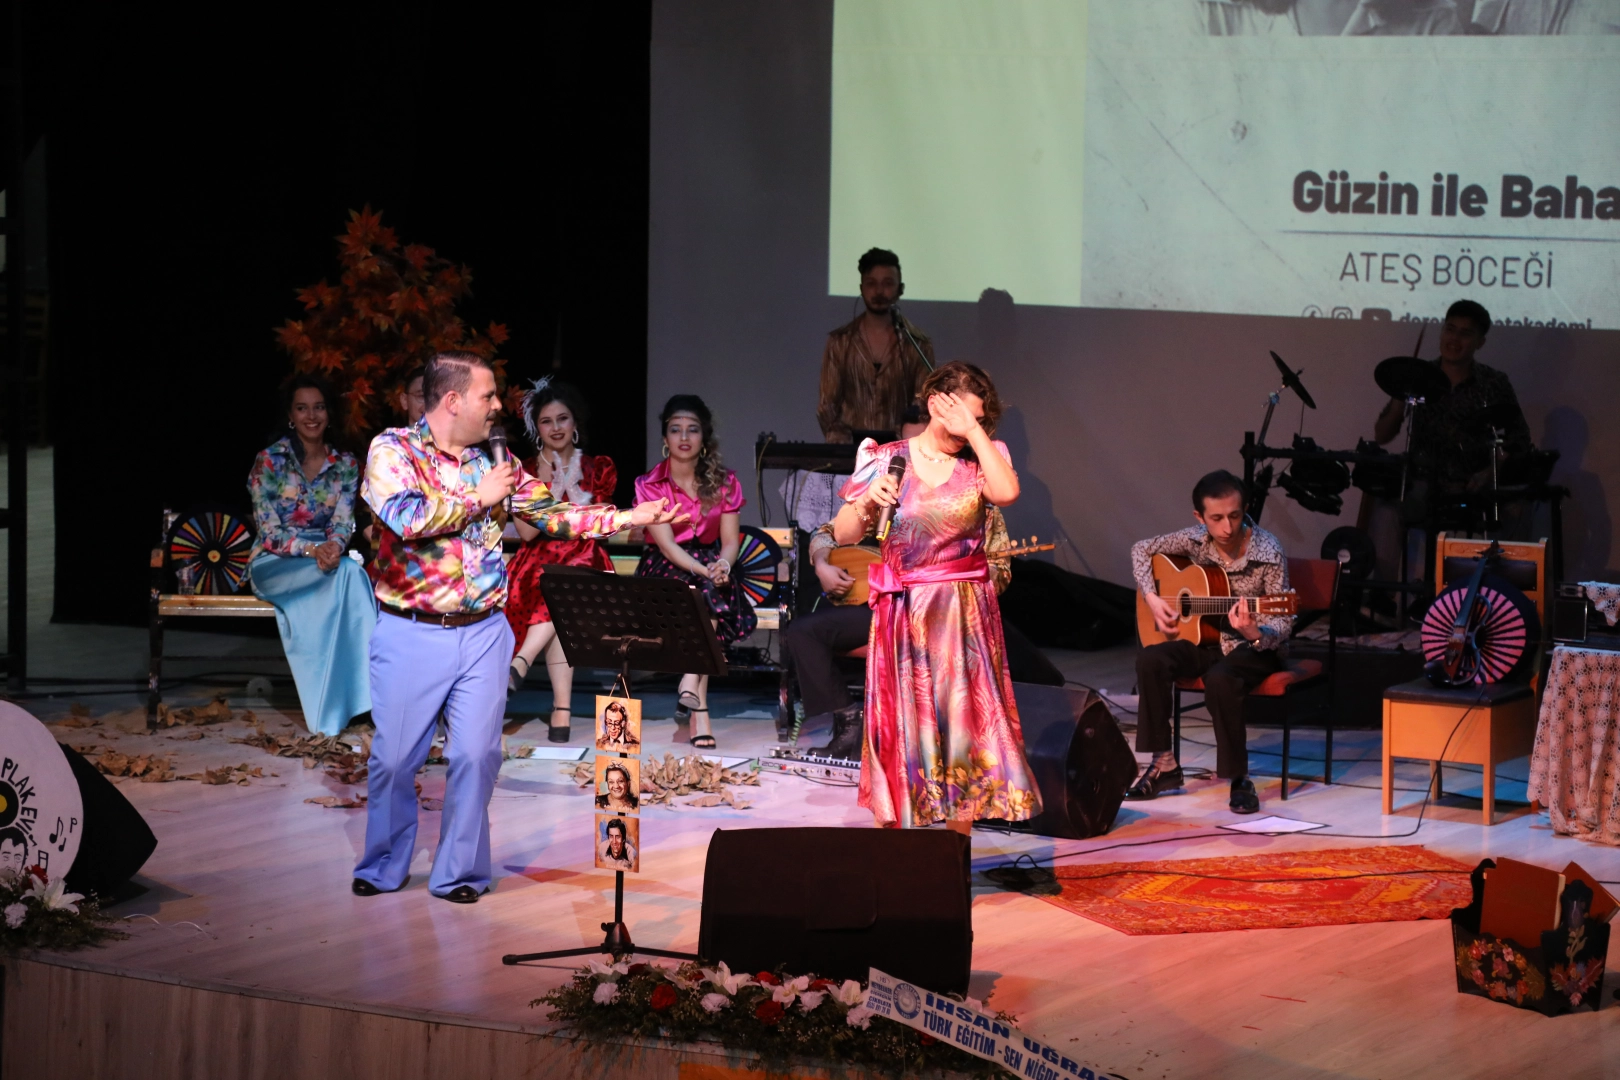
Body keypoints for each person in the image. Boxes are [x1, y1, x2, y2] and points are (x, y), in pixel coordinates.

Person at [354, 350, 682, 904]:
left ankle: (459, 872)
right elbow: (406, 518)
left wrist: (629, 517)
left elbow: (553, 514)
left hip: (484, 631)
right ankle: (384, 863)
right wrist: (477, 499)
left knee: (476, 757)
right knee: (394, 760)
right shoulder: (393, 449)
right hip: (413, 628)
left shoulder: (494, 461)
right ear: (453, 400)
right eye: (487, 395)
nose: (497, 406)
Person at [786, 405, 1063, 760]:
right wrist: (823, 563)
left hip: (948, 613)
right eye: (909, 442)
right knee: (802, 632)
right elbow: (828, 532)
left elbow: (999, 569)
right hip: (886, 604)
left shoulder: (971, 492)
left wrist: (957, 592)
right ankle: (847, 719)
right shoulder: (888, 481)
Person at [832, 361, 1041, 832]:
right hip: (903, 615)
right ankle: (897, 849)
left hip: (962, 615)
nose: (969, 428)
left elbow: (1007, 492)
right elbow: (843, 533)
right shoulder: (885, 458)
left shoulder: (982, 458)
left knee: (963, 728)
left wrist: (975, 431)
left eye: (978, 420)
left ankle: (954, 853)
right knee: (901, 728)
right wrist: (867, 500)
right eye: (962, 417)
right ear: (934, 405)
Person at [1127, 470, 1293, 815]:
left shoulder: (1269, 549)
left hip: (1255, 648)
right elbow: (1141, 549)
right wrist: (1153, 598)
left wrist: (1255, 632)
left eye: (1234, 515)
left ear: (1245, 509)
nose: (1227, 527)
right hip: (1206, 641)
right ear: (1200, 517)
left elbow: (1282, 622)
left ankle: (1239, 778)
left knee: (1221, 678)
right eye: (1216, 518)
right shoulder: (1194, 539)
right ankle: (1164, 763)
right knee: (1151, 659)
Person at [246, 374, 376, 737]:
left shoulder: (345, 463)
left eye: (318, 407)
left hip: (326, 559)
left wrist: (333, 546)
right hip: (276, 562)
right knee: (347, 575)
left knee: (350, 573)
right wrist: (311, 549)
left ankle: (365, 700)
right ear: (291, 415)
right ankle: (347, 706)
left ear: (329, 413)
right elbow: (269, 531)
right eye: (302, 408)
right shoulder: (269, 461)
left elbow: (343, 520)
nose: (311, 416)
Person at [634, 395, 755, 750]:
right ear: (665, 438)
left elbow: (729, 542)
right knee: (703, 594)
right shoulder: (649, 484)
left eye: (693, 429)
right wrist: (705, 571)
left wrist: (723, 565)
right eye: (676, 430)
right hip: (665, 567)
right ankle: (699, 706)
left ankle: (692, 687)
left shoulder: (726, 482)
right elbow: (668, 547)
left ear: (704, 438)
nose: (684, 437)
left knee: (709, 593)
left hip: (710, 567)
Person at [503, 378, 618, 742]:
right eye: (546, 421)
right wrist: (547, 491)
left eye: (562, 419)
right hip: (537, 562)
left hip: (585, 558)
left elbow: (598, 525)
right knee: (553, 590)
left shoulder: (598, 468)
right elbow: (527, 534)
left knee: (562, 586)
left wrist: (567, 498)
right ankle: (562, 709)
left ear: (575, 423)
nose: (555, 428)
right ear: (536, 428)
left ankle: (521, 661)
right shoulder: (525, 470)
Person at [1373, 300, 1532, 495]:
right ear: (1442, 332)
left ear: (1480, 342)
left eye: (1465, 333)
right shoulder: (1418, 375)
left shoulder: (1493, 382)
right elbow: (1381, 436)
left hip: (1473, 489)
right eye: (1450, 329)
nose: (1455, 339)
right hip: (1421, 488)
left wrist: (1493, 471)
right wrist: (1400, 397)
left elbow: (1520, 438)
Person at [817, 248, 936, 443]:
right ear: (861, 288)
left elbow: (923, 402)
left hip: (901, 450)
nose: (879, 291)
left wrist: (903, 437)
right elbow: (827, 404)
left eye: (887, 284)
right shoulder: (840, 342)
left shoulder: (917, 343)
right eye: (871, 284)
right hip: (850, 451)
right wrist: (842, 440)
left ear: (900, 289)